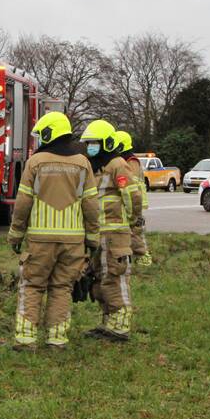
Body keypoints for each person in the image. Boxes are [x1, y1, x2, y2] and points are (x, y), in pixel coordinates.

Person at [7, 112, 100, 350]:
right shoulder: (83, 163)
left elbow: (23, 203)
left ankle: (26, 340)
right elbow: (91, 205)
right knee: (62, 288)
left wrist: (16, 234)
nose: (39, 140)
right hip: (73, 243)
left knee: (32, 285)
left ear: (50, 133)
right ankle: (57, 340)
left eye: (41, 135)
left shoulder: (35, 163)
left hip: (40, 240)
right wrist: (92, 238)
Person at [80, 119, 143, 342]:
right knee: (99, 280)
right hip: (99, 235)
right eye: (88, 144)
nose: (90, 148)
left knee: (114, 279)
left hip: (115, 235)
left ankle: (121, 326)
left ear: (105, 143)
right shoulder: (97, 166)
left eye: (93, 143)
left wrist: (133, 220)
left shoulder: (117, 164)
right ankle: (109, 323)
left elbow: (133, 195)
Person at [113, 130, 151, 266]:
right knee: (133, 232)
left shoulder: (131, 162)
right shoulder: (125, 161)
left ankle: (144, 259)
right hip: (133, 201)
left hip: (136, 202)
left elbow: (130, 185)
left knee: (136, 232)